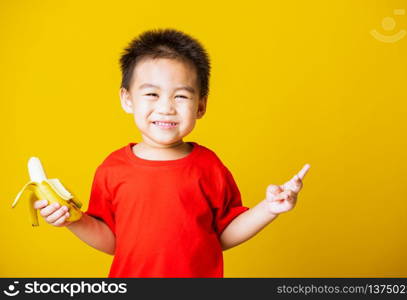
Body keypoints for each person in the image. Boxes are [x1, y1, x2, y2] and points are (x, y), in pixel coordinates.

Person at [33, 28, 310, 278]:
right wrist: (74, 220)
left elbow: (223, 235)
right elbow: (112, 241)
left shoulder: (208, 165)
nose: (166, 107)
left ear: (200, 106)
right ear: (127, 99)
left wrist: (269, 209)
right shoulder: (112, 168)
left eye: (181, 96)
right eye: (152, 94)